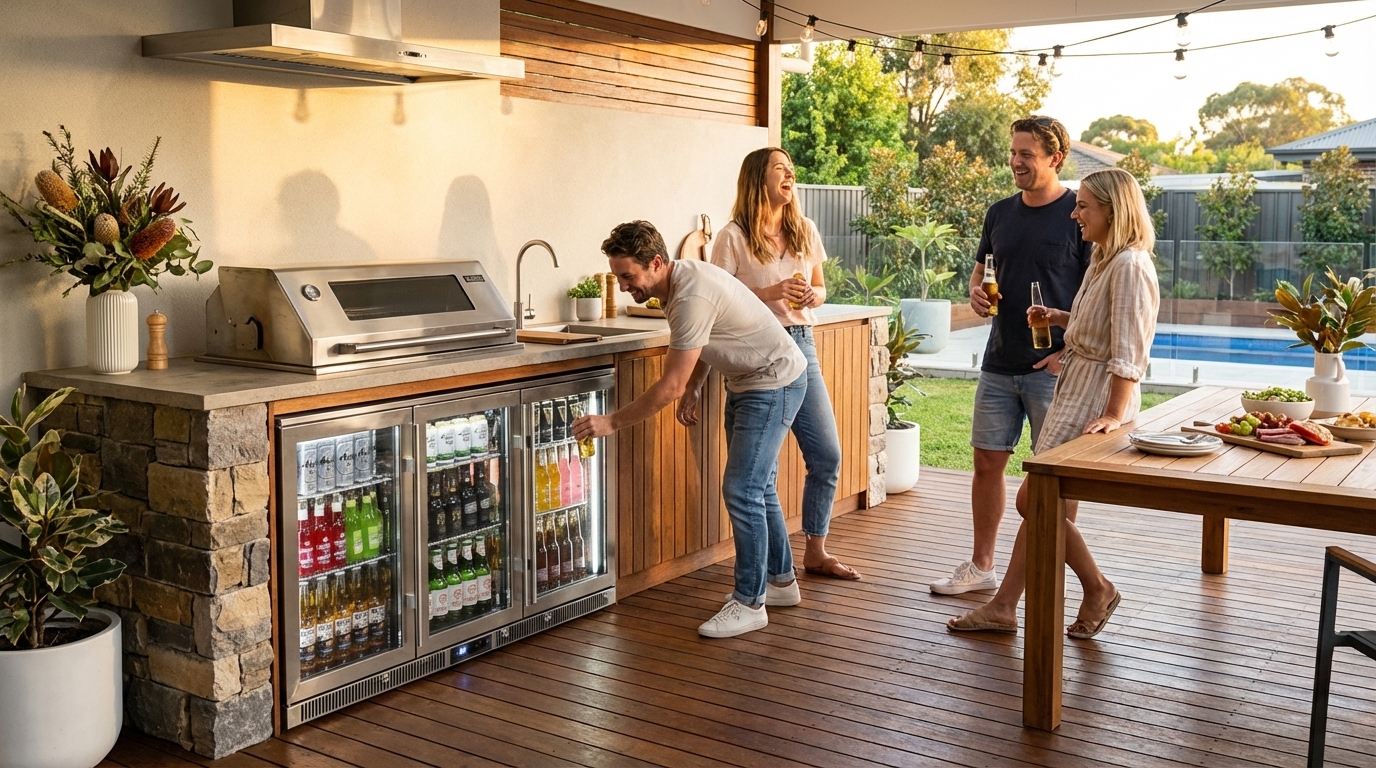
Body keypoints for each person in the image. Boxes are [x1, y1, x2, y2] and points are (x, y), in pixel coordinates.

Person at [948, 167, 1160, 638]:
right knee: (1042, 501)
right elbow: (1099, 322)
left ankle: (1094, 587)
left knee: (1036, 499)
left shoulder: (1129, 265)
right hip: (1077, 388)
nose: (1075, 214)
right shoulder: (1106, 257)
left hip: (1093, 397)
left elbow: (1129, 350)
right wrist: (1061, 316)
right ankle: (1008, 606)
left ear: (1112, 210)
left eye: (1084, 206)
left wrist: (1113, 412)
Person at [572, 221, 808, 639]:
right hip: (751, 380)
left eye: (628, 276)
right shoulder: (679, 284)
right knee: (758, 488)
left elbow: (669, 386)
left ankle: (750, 603)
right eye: (618, 277)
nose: (623, 286)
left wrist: (610, 422)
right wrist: (696, 385)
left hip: (772, 382)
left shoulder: (689, 295)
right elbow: (704, 341)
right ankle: (780, 581)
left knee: (743, 490)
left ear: (655, 263)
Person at [929, 116, 1092, 597]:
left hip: (1053, 368)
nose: (1016, 162)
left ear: (1055, 158)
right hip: (999, 361)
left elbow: (1092, 296)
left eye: (1027, 154)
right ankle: (982, 567)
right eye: (1013, 153)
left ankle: (1048, 569)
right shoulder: (999, 213)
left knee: (1056, 478)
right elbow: (981, 272)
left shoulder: (1078, 214)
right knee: (986, 465)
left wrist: (1067, 353)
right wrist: (976, 294)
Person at [708, 146, 859, 581]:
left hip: (801, 344)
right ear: (759, 178)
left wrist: (814, 295)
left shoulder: (804, 228)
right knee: (762, 473)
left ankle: (816, 550)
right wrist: (769, 293)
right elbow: (718, 301)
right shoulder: (733, 236)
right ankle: (777, 570)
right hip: (756, 354)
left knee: (827, 455)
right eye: (780, 169)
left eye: (791, 169)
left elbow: (821, 288)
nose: (790, 175)